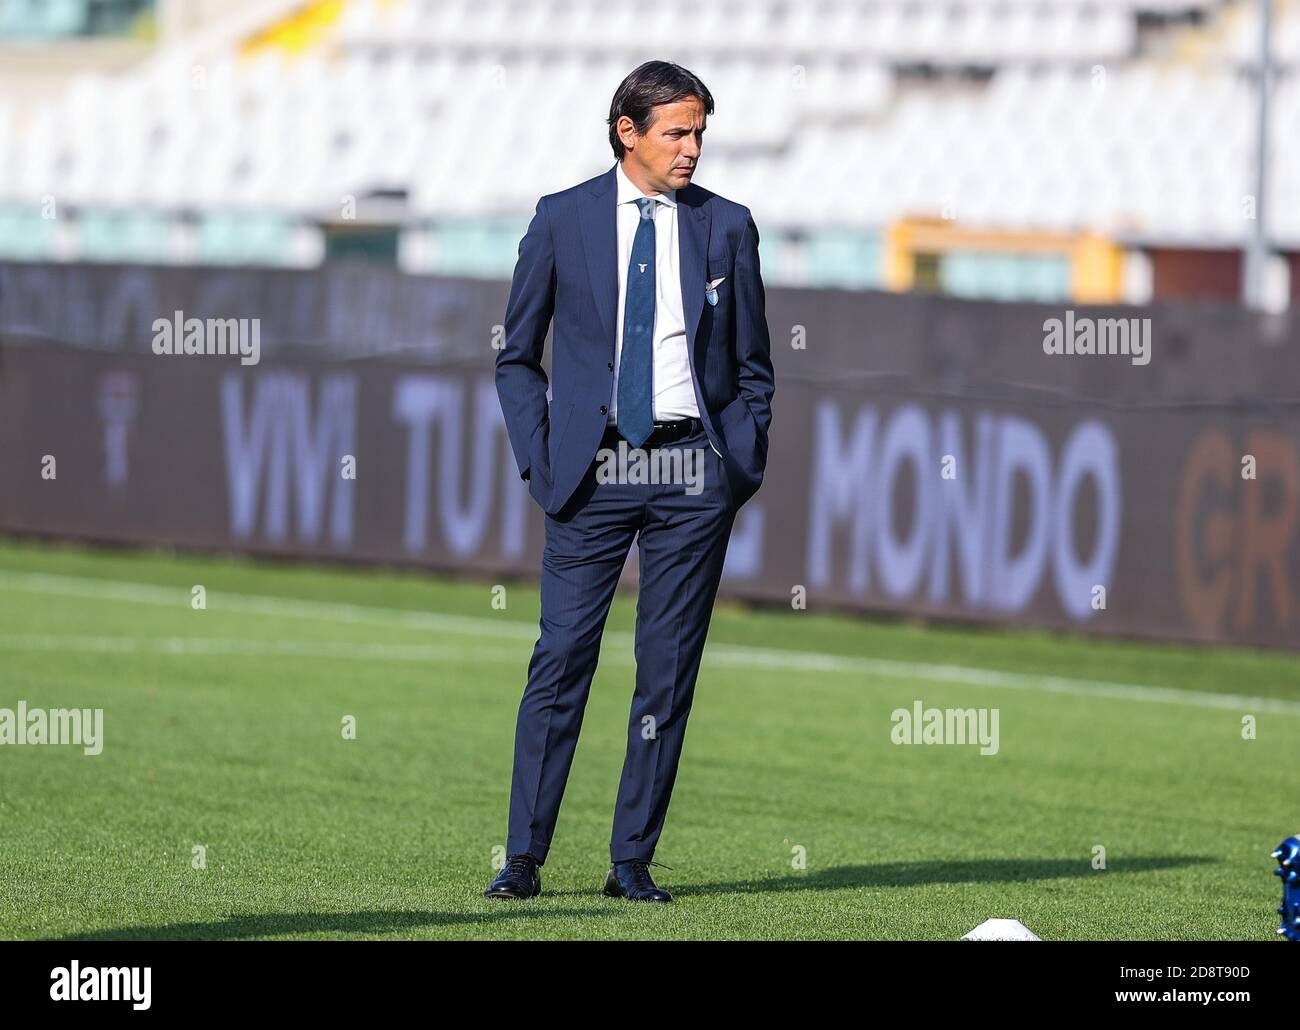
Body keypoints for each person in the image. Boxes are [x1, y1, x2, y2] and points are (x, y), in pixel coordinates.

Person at [488, 60, 774, 903]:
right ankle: (523, 859)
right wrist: (543, 460)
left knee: (667, 668)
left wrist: (737, 467)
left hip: (693, 473)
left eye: (699, 134)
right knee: (563, 655)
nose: (691, 149)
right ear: (629, 131)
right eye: (677, 132)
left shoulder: (728, 226)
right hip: (592, 470)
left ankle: (630, 862)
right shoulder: (561, 219)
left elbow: (754, 368)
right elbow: (516, 358)